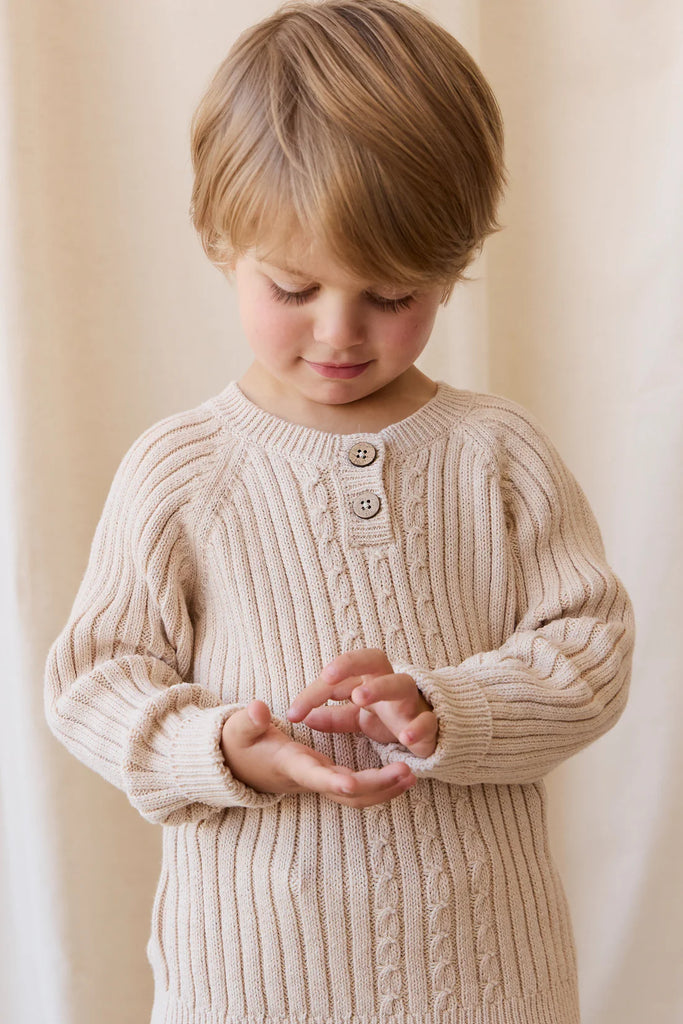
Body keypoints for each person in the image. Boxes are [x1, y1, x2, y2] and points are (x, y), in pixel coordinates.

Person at [44, 1, 636, 1022]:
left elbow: (588, 651)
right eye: (292, 285)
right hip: (247, 979)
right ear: (221, 242)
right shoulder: (180, 470)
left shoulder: (494, 454)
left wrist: (448, 706)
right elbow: (92, 680)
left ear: (451, 268)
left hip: (489, 980)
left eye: (392, 293)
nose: (339, 332)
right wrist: (221, 745)